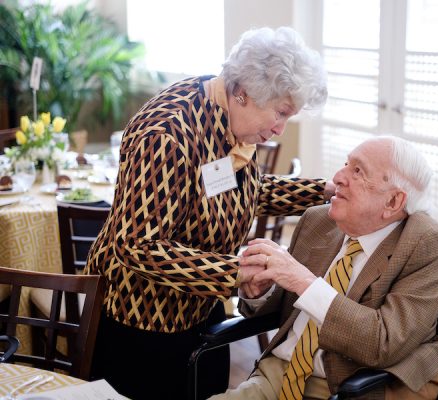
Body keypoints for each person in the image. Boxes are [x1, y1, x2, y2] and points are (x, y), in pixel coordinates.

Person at [85, 26, 331, 400]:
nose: (280, 129)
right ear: (244, 92)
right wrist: (234, 273)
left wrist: (321, 192)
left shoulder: (226, 114)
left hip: (198, 303)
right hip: (142, 319)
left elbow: (249, 190)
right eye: (280, 113)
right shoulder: (168, 135)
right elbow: (137, 246)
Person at [212, 136, 438, 400]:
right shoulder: (317, 221)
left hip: (357, 386)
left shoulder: (430, 246)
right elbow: (282, 306)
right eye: (346, 164)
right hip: (281, 372)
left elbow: (382, 342)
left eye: (358, 171)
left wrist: (303, 281)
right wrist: (259, 291)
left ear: (393, 202)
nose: (338, 177)